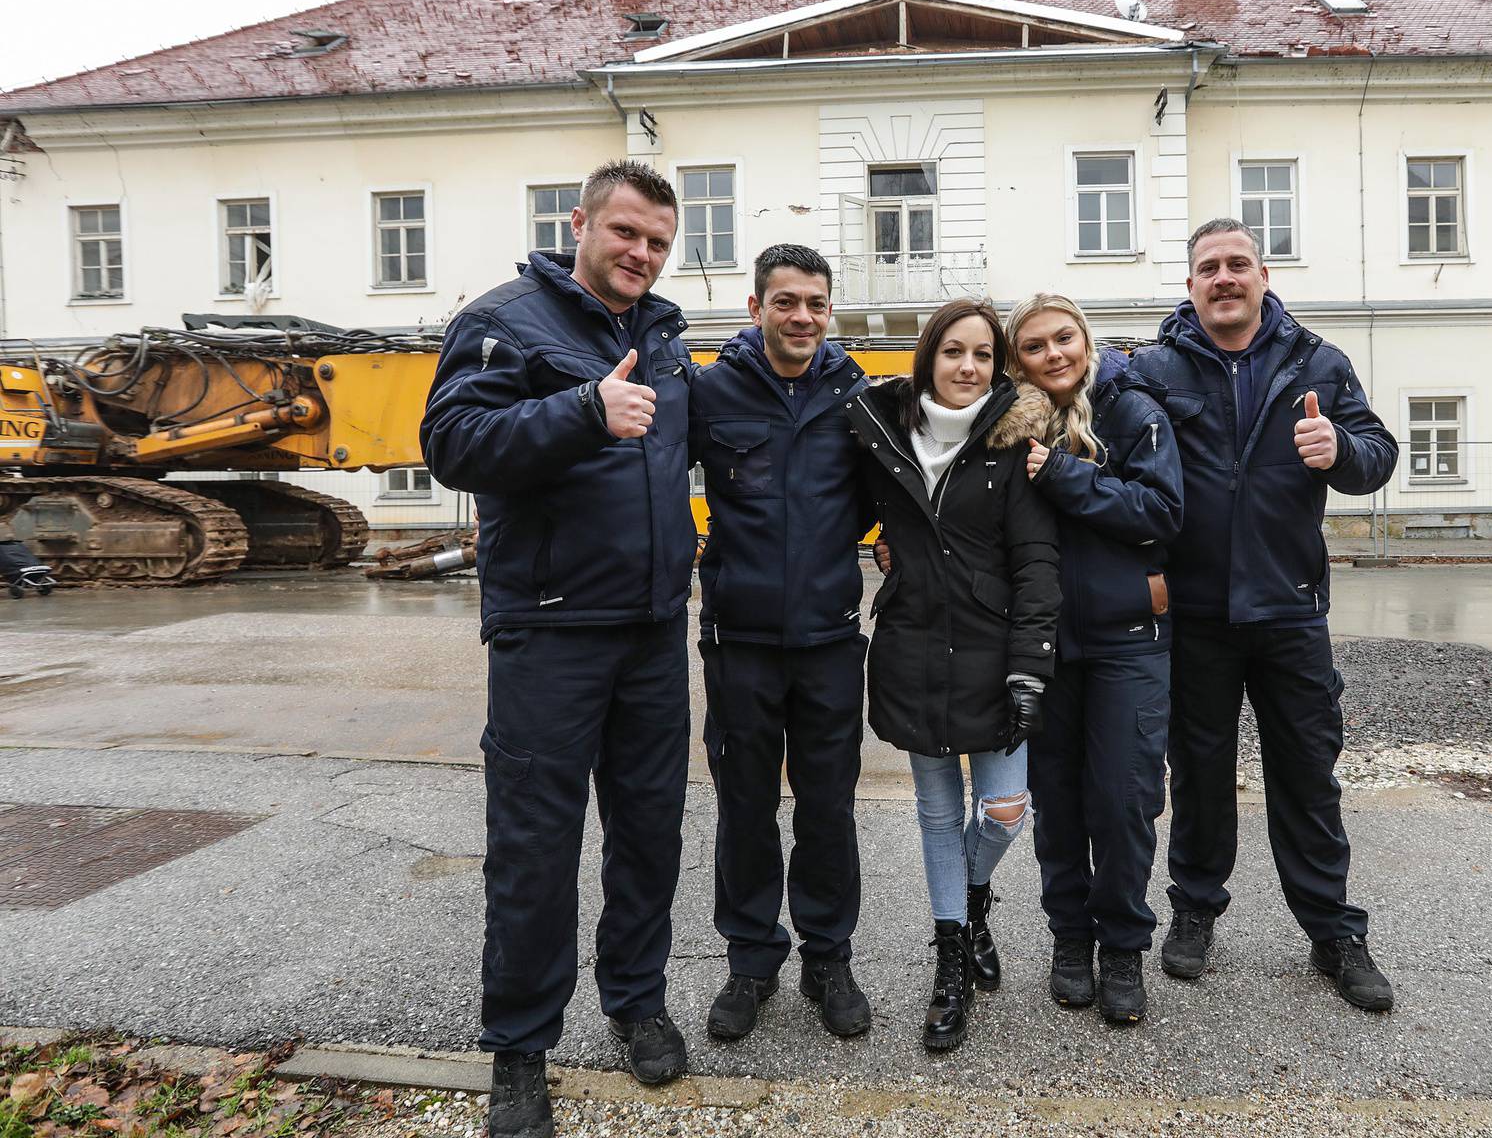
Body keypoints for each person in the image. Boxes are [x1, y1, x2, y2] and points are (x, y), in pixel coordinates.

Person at [420, 160, 696, 1138]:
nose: (642, 254)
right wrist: (584, 410)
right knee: (536, 849)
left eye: (660, 242)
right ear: (578, 221)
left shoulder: (661, 335)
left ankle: (636, 1000)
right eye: (626, 232)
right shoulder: (507, 319)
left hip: (655, 631)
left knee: (650, 835)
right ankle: (521, 1050)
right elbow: (451, 443)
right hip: (549, 630)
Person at [1130, 217, 1401, 1013]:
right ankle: (1194, 912)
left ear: (1263, 275)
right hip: (1197, 613)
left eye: (1237, 264)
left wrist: (1339, 452)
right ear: (1190, 285)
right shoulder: (1153, 368)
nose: (1224, 278)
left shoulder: (1317, 361)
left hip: (1288, 612)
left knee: (1307, 776)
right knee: (1202, 774)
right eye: (1209, 267)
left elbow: (1377, 454)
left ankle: (1333, 931)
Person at [849, 299, 1060, 1052]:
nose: (967, 367)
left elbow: (1036, 563)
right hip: (910, 652)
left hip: (993, 655)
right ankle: (951, 959)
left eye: (982, 355)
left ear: (997, 365)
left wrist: (1031, 667)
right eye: (953, 353)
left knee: (1005, 808)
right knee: (938, 813)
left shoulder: (1013, 445)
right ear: (928, 358)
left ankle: (972, 902)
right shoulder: (882, 437)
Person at [689, 244, 874, 1042]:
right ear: (757, 305)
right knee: (746, 808)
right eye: (787, 301)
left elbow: (888, 493)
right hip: (741, 642)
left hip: (831, 640)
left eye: (816, 303)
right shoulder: (710, 392)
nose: (802, 316)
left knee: (828, 810)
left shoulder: (857, 394)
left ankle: (828, 957)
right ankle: (751, 959)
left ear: (829, 311)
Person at [1007, 294, 1183, 1026]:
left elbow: (1162, 511)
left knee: (1123, 803)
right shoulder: (1009, 423)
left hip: (1124, 640)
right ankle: (1070, 941)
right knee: (1058, 806)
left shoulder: (1130, 408)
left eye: (1064, 338)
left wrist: (1064, 476)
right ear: (1019, 359)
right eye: (1037, 346)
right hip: (1047, 642)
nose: (1055, 354)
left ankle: (1122, 949)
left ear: (1086, 340)